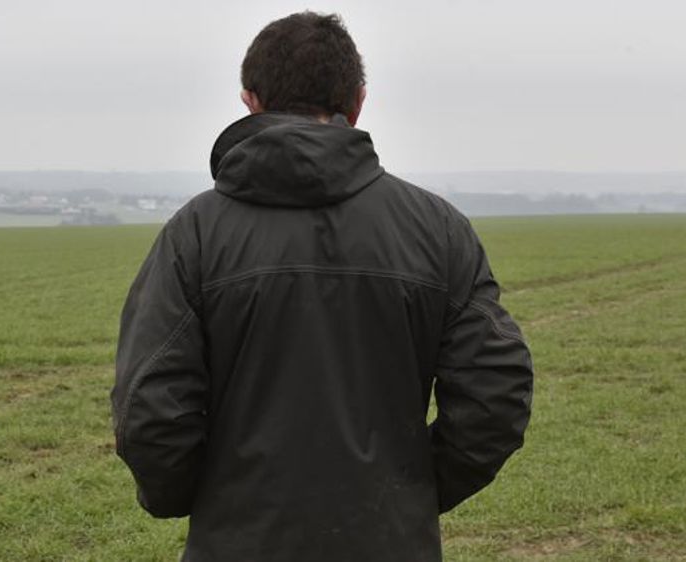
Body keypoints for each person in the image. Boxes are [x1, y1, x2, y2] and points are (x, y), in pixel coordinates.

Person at [111, 11, 533, 562]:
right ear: (358, 102)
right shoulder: (438, 230)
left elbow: (150, 408)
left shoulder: (195, 234)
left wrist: (206, 499)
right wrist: (409, 492)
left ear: (250, 100)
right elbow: (495, 397)